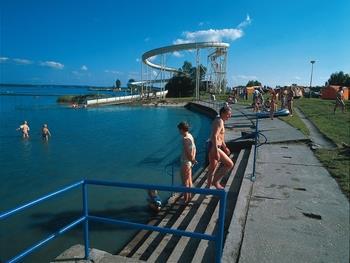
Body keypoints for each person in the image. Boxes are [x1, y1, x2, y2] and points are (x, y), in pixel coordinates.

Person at [207, 106, 234, 189]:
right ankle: (215, 182)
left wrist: (225, 147)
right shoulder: (219, 121)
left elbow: (220, 137)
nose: (229, 116)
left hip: (213, 146)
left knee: (212, 168)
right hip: (214, 147)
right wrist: (215, 150)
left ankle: (208, 188)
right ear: (223, 113)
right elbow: (214, 136)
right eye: (228, 114)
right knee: (229, 164)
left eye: (230, 115)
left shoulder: (220, 120)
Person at [177, 121, 197, 204]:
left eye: (179, 129)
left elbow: (188, 152)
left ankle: (185, 200)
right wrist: (193, 160)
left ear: (182, 129)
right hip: (189, 162)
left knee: (185, 182)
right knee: (189, 181)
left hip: (185, 162)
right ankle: (189, 198)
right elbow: (194, 149)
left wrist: (192, 160)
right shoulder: (190, 136)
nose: (178, 131)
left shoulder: (185, 139)